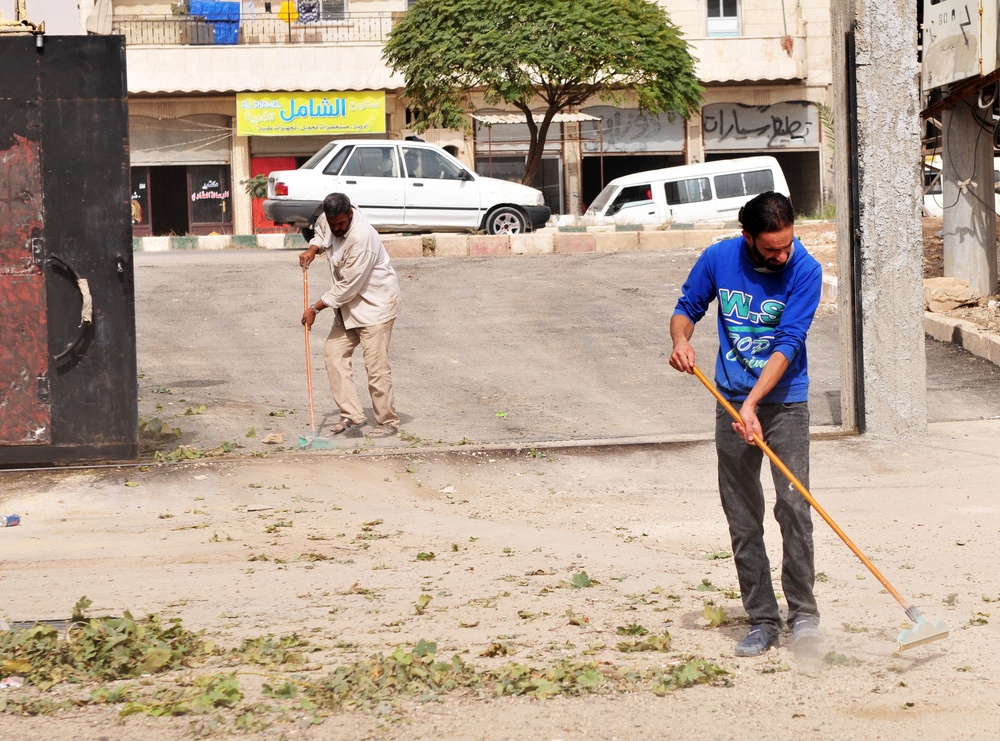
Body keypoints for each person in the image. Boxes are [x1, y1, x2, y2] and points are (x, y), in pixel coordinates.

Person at [668, 191, 823, 657]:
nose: (782, 255)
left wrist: (754, 403)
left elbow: (789, 342)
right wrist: (681, 341)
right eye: (771, 248)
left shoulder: (806, 270)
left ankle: (804, 617)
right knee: (742, 515)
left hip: (784, 404)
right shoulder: (718, 258)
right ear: (748, 237)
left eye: (787, 245)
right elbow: (685, 310)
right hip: (729, 400)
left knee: (794, 508)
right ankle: (762, 619)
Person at [300, 192, 401, 438]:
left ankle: (387, 421)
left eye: (341, 224)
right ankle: (352, 415)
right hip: (347, 309)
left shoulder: (362, 237)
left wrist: (315, 308)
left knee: (376, 367)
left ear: (350, 214)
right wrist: (313, 249)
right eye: (333, 223)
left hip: (375, 306)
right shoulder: (328, 219)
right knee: (334, 354)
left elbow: (348, 286)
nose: (336, 228)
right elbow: (323, 234)